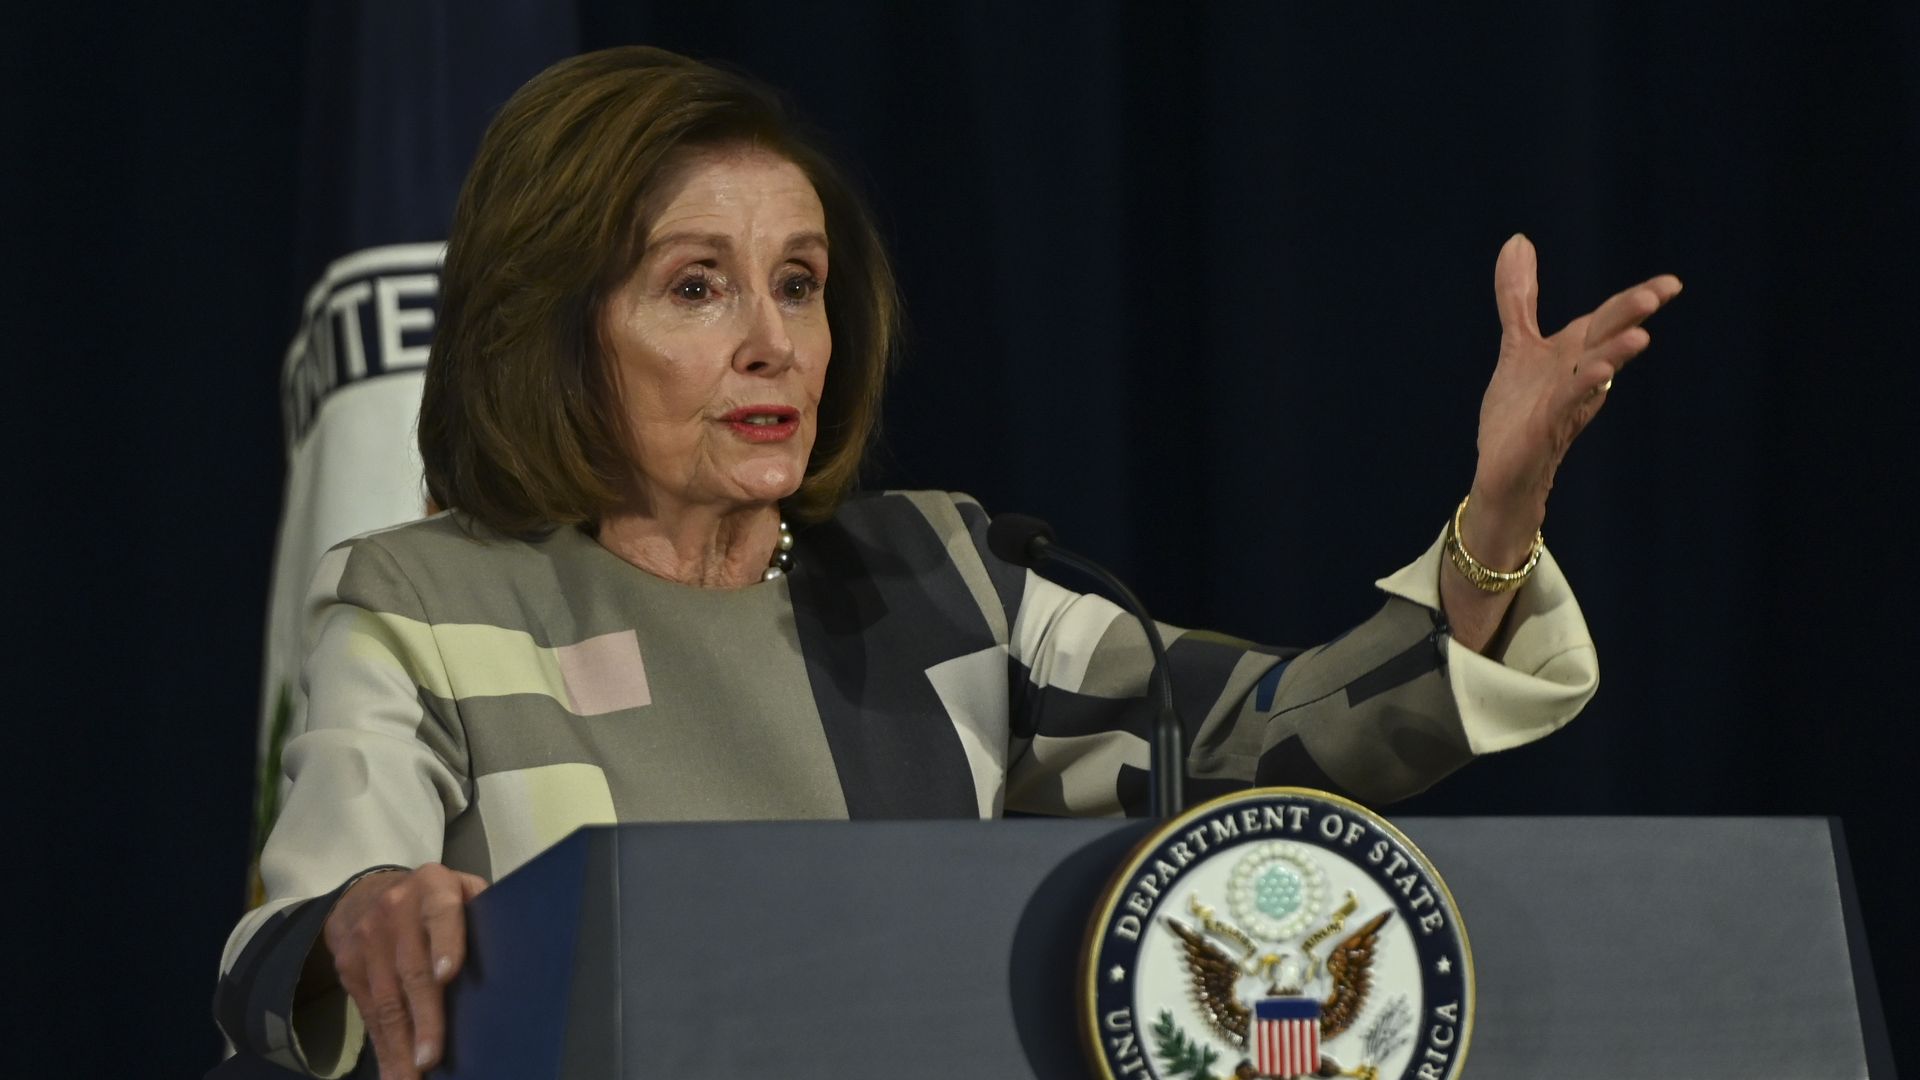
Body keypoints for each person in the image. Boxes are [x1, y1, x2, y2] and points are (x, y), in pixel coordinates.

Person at [215, 45, 1679, 1080]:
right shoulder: (429, 601)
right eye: (695, 287)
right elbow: (298, 941)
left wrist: (1494, 525)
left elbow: (1265, 741)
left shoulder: (941, 580)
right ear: (552, 322)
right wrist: (362, 924)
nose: (773, 341)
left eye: (799, 282)